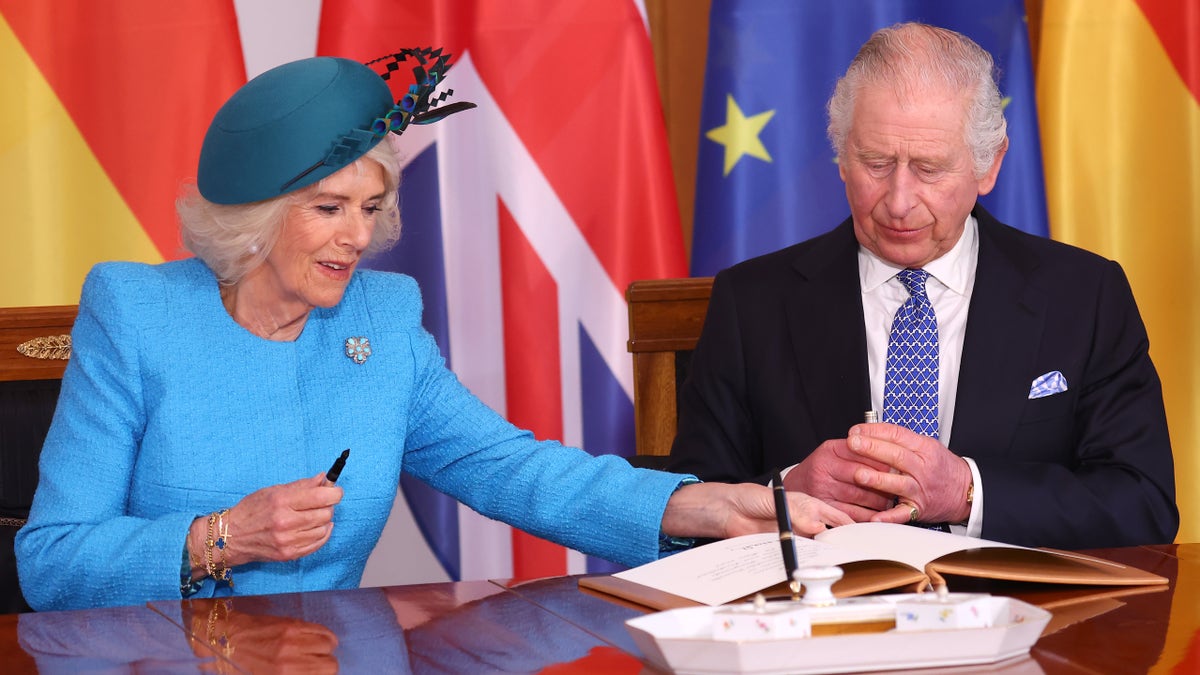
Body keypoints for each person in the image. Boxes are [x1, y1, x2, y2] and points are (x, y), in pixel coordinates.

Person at [15, 49, 851, 612]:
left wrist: (697, 504)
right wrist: (220, 539)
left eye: (372, 208)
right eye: (328, 208)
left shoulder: (383, 318)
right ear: (254, 220)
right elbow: (50, 560)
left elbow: (512, 469)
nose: (357, 236)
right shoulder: (135, 315)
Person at [667, 23, 1178, 550]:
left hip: (1021, 618)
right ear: (842, 157)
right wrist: (786, 490)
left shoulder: (1085, 296)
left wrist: (968, 493)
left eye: (930, 168)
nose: (899, 200)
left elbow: (1143, 505)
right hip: (819, 619)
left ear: (990, 165)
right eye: (876, 163)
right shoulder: (751, 301)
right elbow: (688, 507)